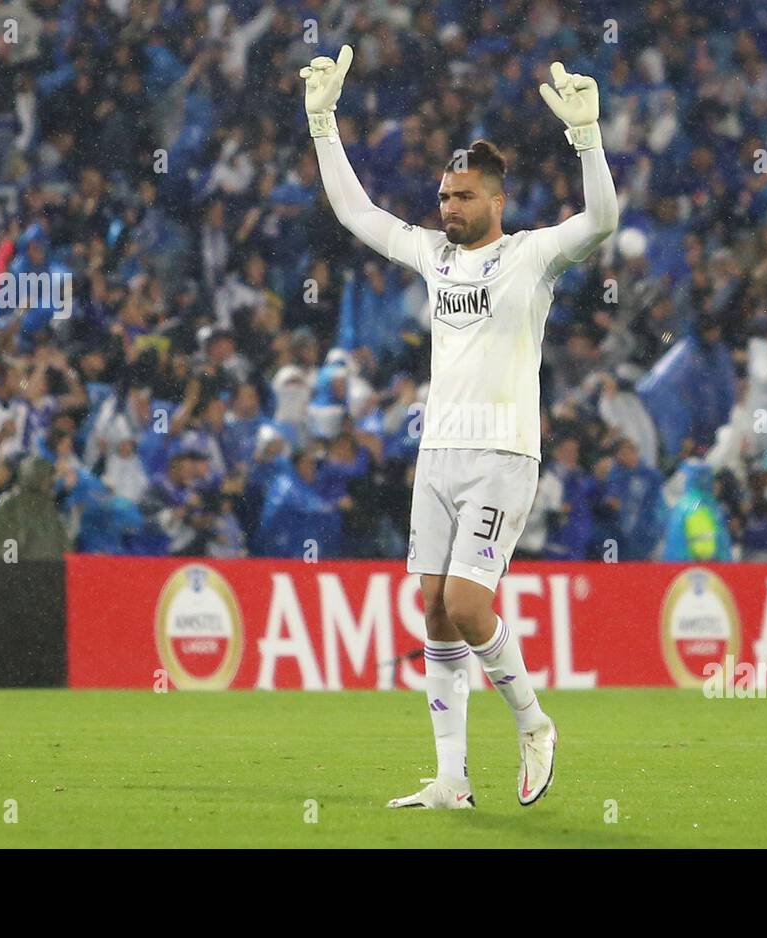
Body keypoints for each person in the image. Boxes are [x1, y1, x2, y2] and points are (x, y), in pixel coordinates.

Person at [303, 48, 618, 809]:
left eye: (463, 196)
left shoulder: (530, 257)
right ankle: (450, 780)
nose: (448, 207)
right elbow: (356, 213)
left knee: (472, 607)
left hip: (503, 454)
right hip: (437, 455)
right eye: (444, 195)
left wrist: (588, 138)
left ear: (496, 202)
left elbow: (603, 221)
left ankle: (535, 724)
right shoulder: (433, 257)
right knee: (436, 611)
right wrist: (320, 124)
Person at [661, 460, 732, 562]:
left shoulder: (682, 505)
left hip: (679, 568)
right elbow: (720, 541)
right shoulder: (708, 506)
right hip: (706, 567)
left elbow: (674, 541)